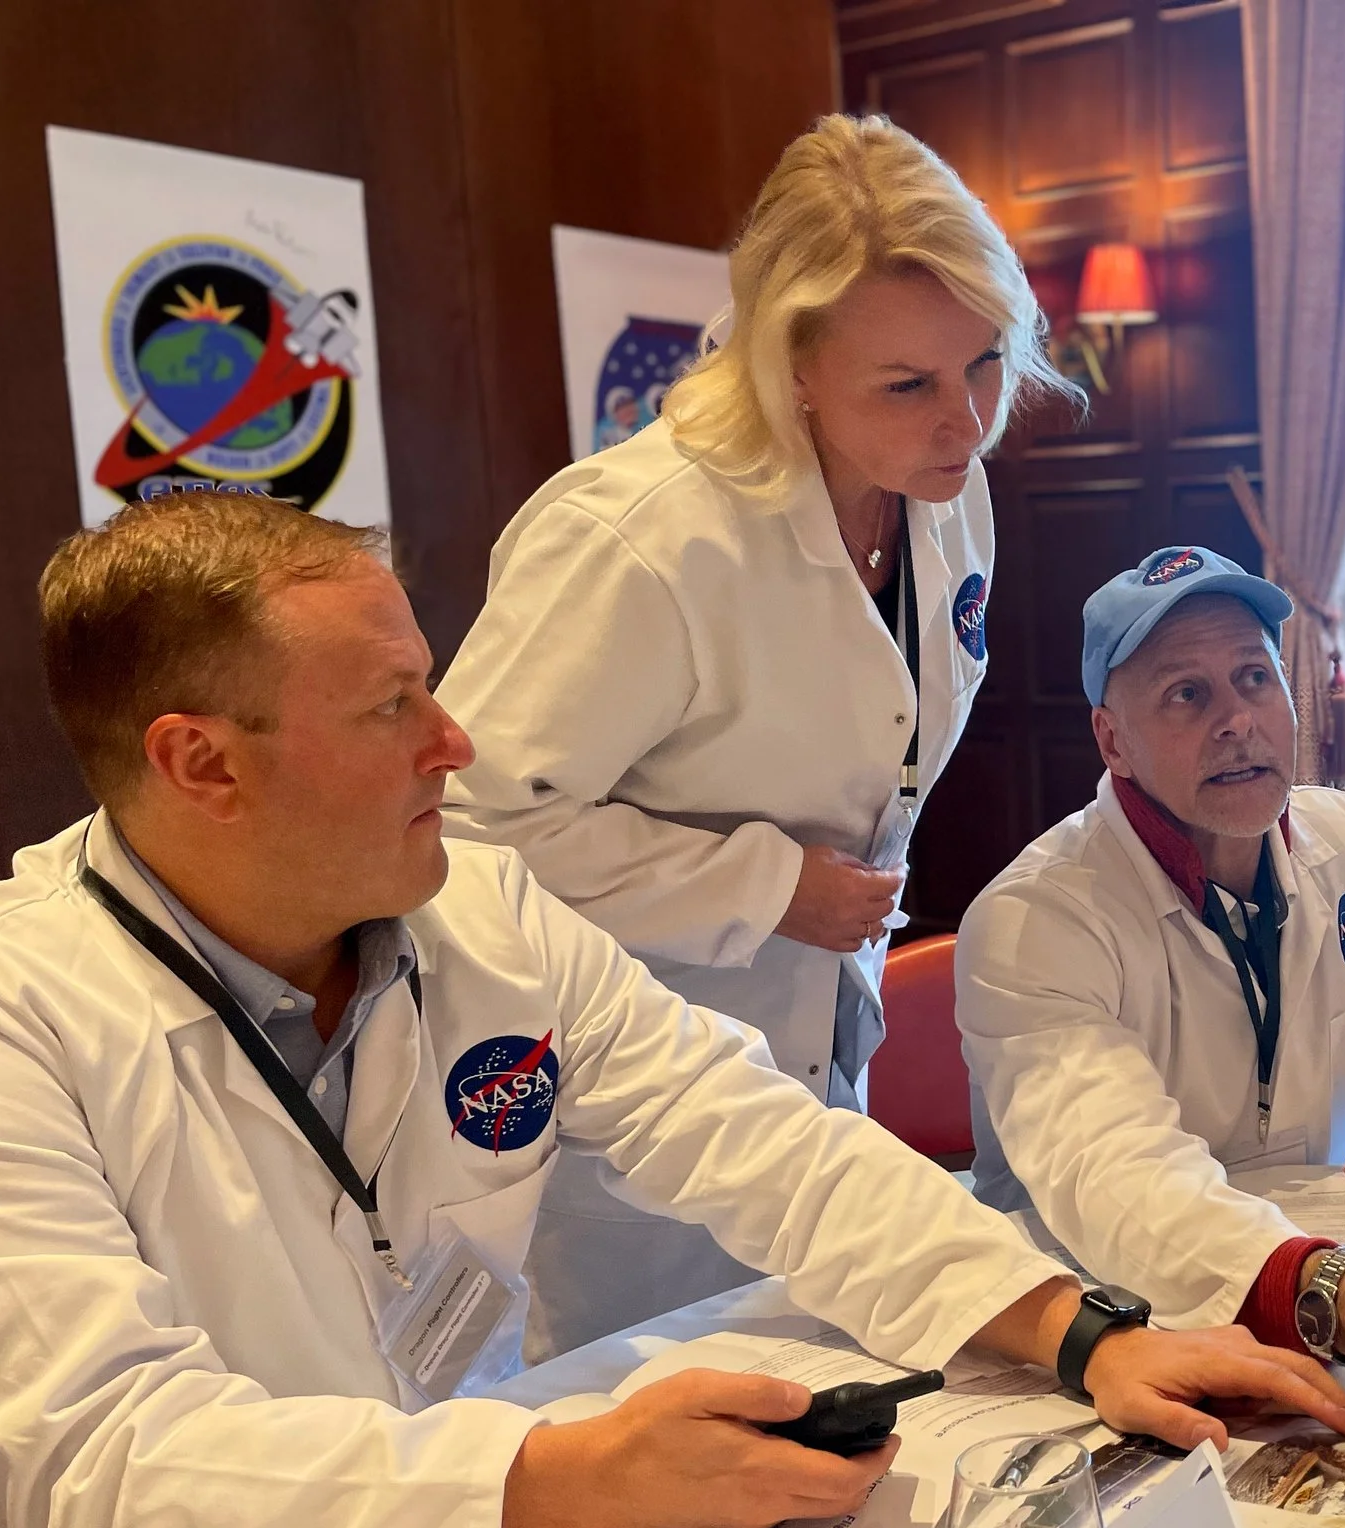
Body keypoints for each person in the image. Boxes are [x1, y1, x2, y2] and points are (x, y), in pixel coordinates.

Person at [0, 496, 1345, 1528]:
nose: (455, 742)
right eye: (391, 706)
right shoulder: (28, 1012)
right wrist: (565, 1472)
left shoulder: (481, 915)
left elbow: (760, 1132)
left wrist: (1086, 1333)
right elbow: (92, 1455)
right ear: (201, 762)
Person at [435, 115, 1074, 1352]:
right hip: (629, 1100)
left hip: (817, 1041)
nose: (968, 422)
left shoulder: (941, 494)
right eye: (908, 385)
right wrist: (765, 886)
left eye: (985, 364)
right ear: (789, 365)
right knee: (657, 1444)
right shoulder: (638, 536)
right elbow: (468, 827)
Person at [955, 546, 1345, 1456]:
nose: (1237, 720)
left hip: (1335, 1290)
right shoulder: (1036, 917)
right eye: (1187, 694)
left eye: (1253, 678)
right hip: (1107, 1345)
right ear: (1114, 740)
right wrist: (1340, 1292)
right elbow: (1119, 1177)